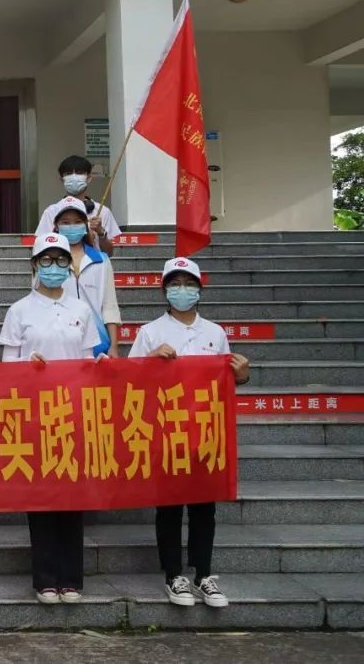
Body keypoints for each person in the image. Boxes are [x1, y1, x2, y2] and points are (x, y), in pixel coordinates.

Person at [129, 257, 251, 609]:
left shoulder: (215, 333)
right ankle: (173, 575)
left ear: (199, 289)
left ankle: (203, 574)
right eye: (175, 284)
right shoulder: (150, 332)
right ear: (164, 290)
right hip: (165, 429)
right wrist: (150, 360)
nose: (182, 290)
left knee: (203, 505)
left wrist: (242, 374)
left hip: (205, 431)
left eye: (189, 284)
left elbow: (226, 380)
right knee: (169, 506)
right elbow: (129, 380)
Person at [0, 233, 101, 605]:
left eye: (60, 261)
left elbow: (88, 360)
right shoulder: (19, 310)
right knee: (41, 496)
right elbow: (6, 365)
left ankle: (71, 578)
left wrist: (100, 367)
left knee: (72, 495)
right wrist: (27, 366)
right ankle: (44, 578)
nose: (54, 267)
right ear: (34, 264)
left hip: (73, 413)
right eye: (46, 260)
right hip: (35, 415)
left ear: (69, 267)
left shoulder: (81, 310)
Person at [47, 197, 121, 358]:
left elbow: (110, 305)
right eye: (65, 222)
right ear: (56, 226)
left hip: (97, 344)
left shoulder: (101, 260)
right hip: (59, 344)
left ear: (85, 225)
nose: (71, 226)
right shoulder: (46, 262)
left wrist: (114, 346)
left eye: (77, 221)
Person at [35, 156, 121, 256]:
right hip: (62, 264)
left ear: (89, 178)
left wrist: (101, 233)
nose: (74, 177)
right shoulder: (51, 212)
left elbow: (109, 253)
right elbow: (41, 248)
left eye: (79, 173)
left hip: (95, 263)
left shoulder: (103, 212)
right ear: (61, 179)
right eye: (68, 173)